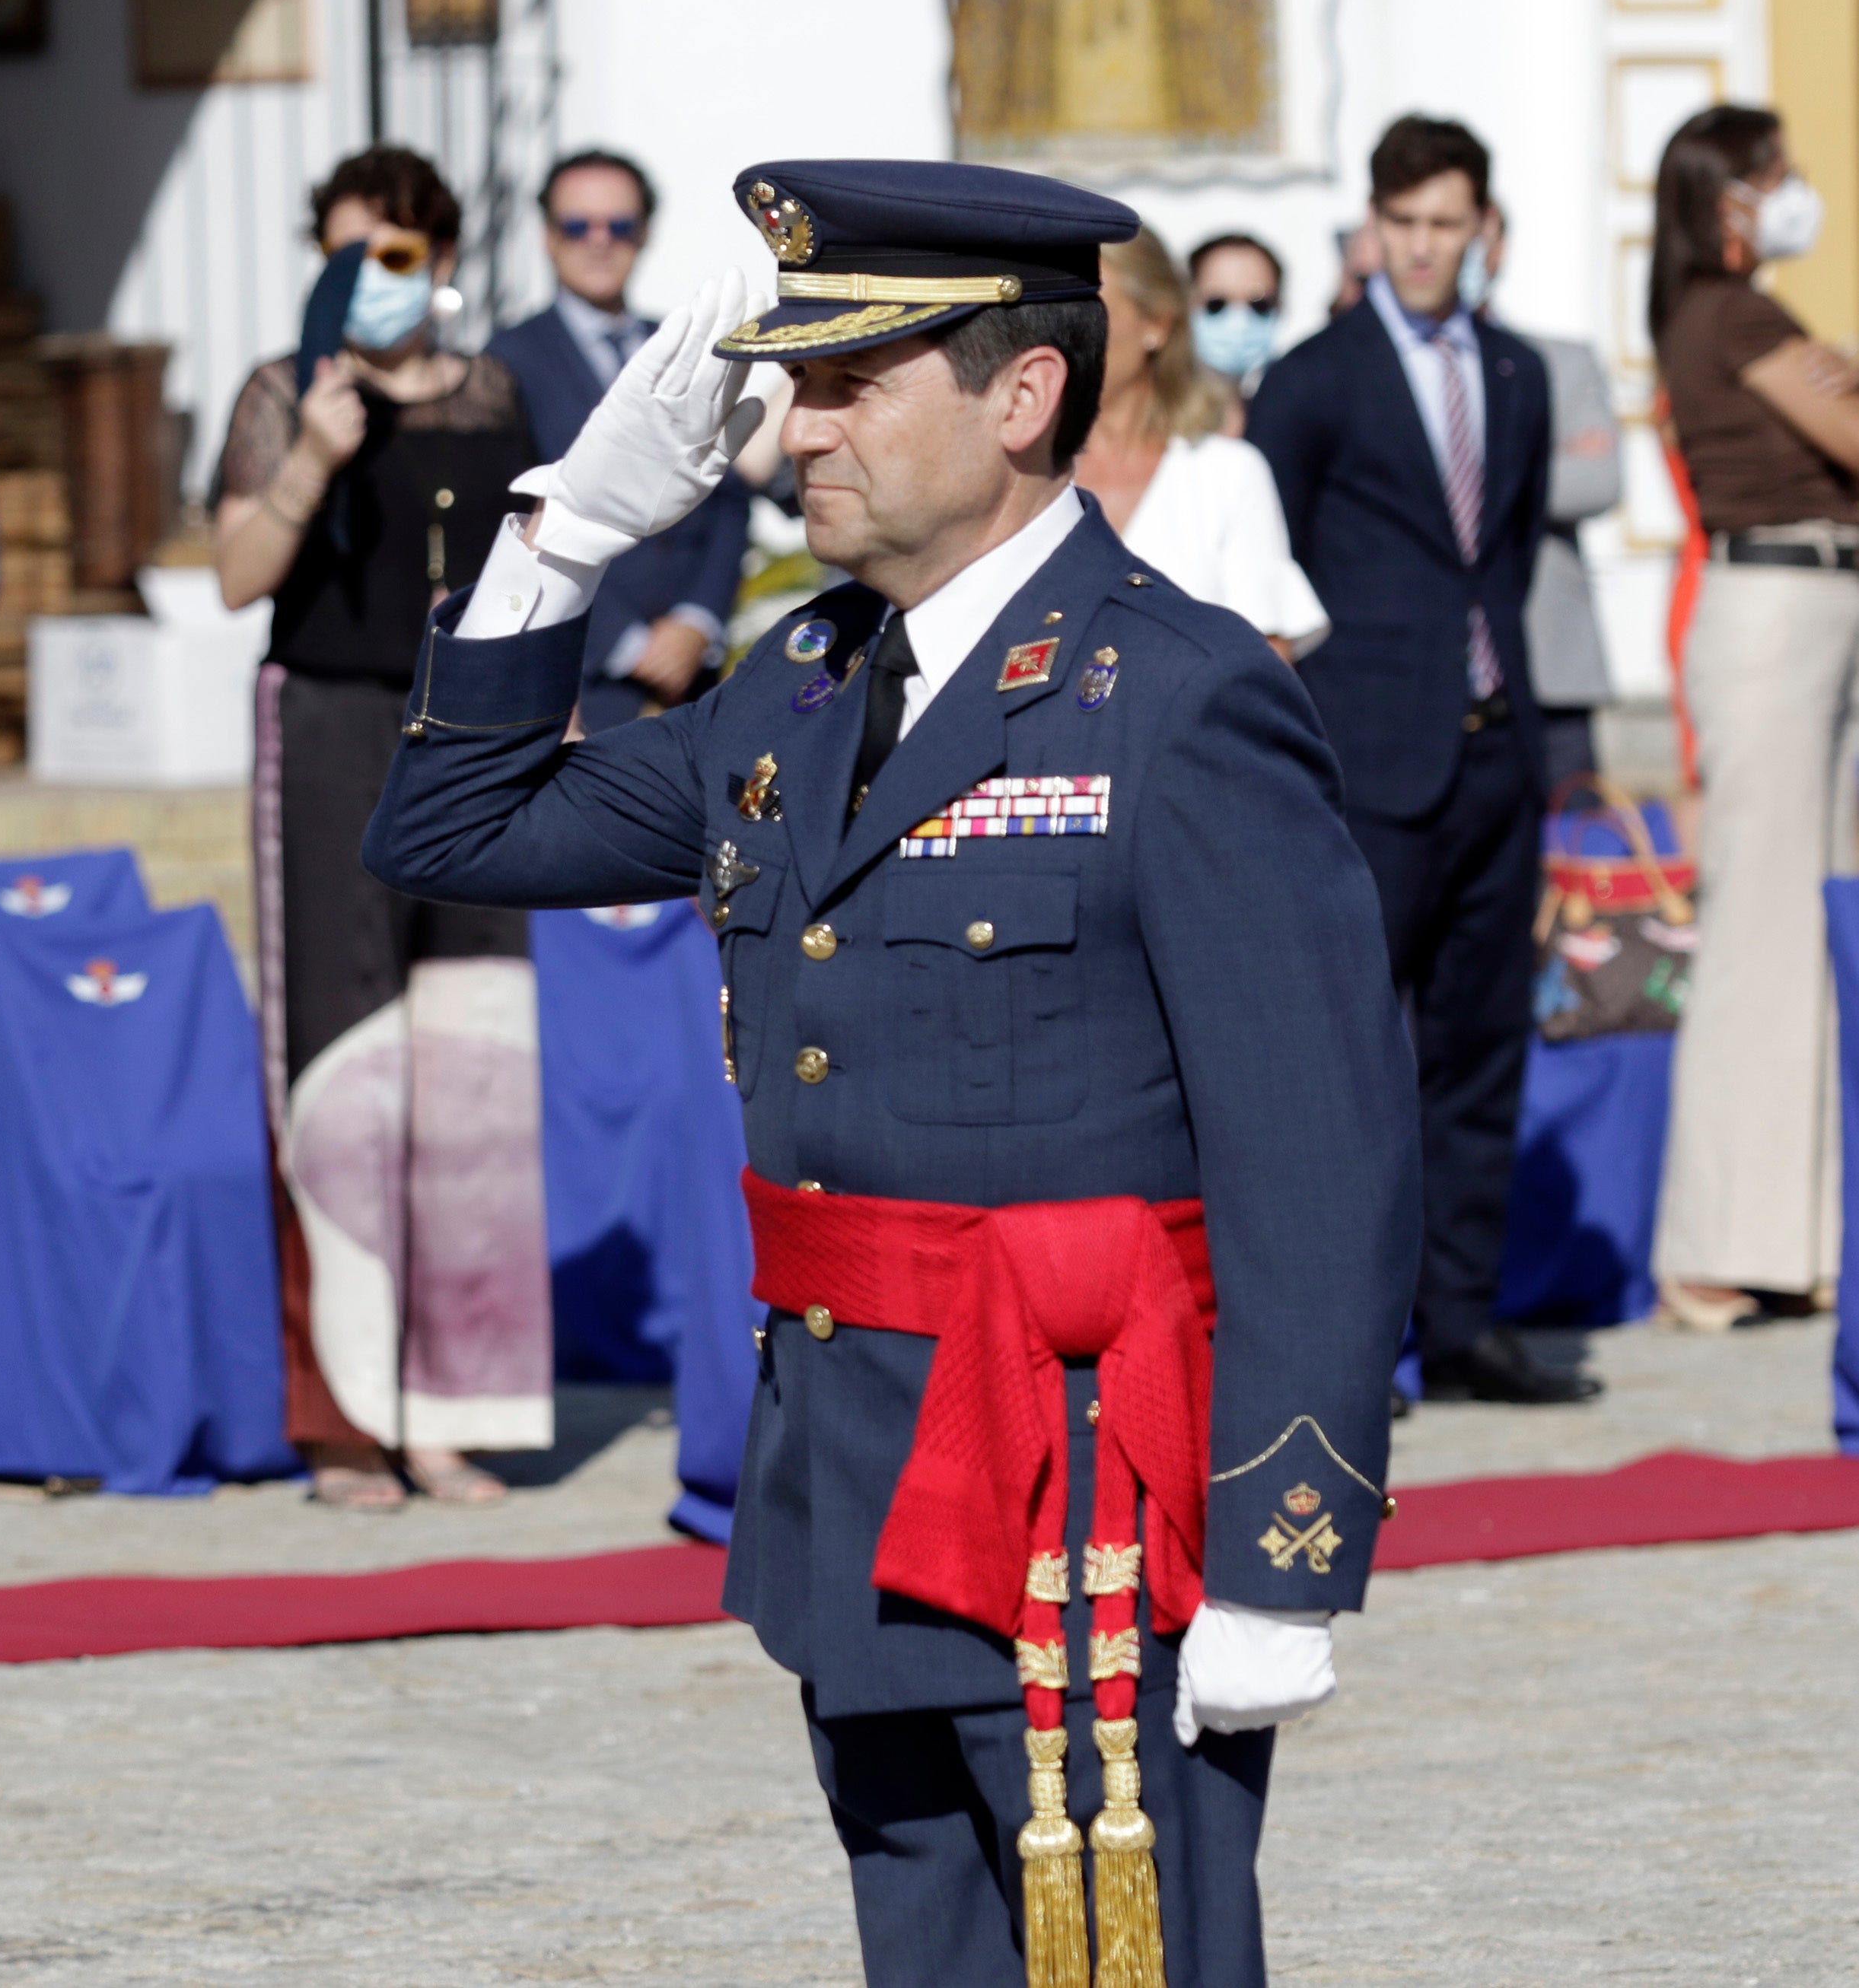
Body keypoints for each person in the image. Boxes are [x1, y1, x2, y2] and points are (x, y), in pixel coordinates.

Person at [364, 160, 1415, 1987]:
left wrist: (1280, 1547)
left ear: (1018, 397)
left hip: (1075, 1488)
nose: (793, 421)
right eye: (792, 376)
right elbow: (451, 819)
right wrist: (559, 537)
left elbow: (1313, 1150)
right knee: (921, 1948)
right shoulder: (795, 684)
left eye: (854, 379)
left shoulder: (1172, 694)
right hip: (847, 1472)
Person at [212, 145, 549, 1510]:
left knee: (470, 1070)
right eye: (344, 255)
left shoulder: (492, 392)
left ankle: (448, 1411)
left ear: (444, 262)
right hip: (338, 731)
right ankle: (345, 1419)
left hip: (474, 730)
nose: (370, 283)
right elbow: (238, 575)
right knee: (341, 1067)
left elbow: (536, 562)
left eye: (395, 257)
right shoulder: (285, 393)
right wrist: (309, 457)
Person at [1248, 116, 1593, 1405]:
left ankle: (1462, 1321)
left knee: (1481, 1044)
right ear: (1371, 229)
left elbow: (1497, 556)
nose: (1425, 246)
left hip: (1498, 751)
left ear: (1481, 229)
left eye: (1446, 223)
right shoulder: (1313, 377)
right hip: (1365, 756)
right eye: (1403, 224)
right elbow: (1267, 565)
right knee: (1342, 1056)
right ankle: (1344, 1332)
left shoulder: (1514, 372)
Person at [1647, 105, 1859, 1331]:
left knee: (1804, 925)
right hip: (1775, 604)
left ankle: (1794, 1236)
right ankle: (1718, 1243)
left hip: (1809, 603)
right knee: (1763, 927)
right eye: (1778, 177)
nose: (1797, 192)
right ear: (1730, 198)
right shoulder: (1735, 314)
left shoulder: (1736, 314)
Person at [489, 148, 751, 730]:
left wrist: (698, 618)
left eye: (620, 225)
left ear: (645, 233)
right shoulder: (505, 363)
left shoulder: (683, 345)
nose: (599, 240)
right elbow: (508, 515)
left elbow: (728, 496)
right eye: (578, 224)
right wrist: (629, 644)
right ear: (548, 237)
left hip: (694, 683)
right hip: (577, 679)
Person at [1078, 226, 1328, 657]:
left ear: (1156, 322)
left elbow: (1264, 662)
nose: (1065, 329)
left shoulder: (1227, 474)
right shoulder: (1021, 470)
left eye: (1090, 308)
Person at [1475, 209, 1623, 788]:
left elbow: (1597, 481)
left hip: (1549, 667)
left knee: (1574, 859)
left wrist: (1455, 474)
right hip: (1424, 686)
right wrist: (1541, 460)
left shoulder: (1560, 362)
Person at [1185, 231, 1282, 402]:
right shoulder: (1155, 408)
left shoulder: (1302, 400)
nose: (1240, 322)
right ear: (1187, 303)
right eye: (1217, 304)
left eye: (1259, 304)